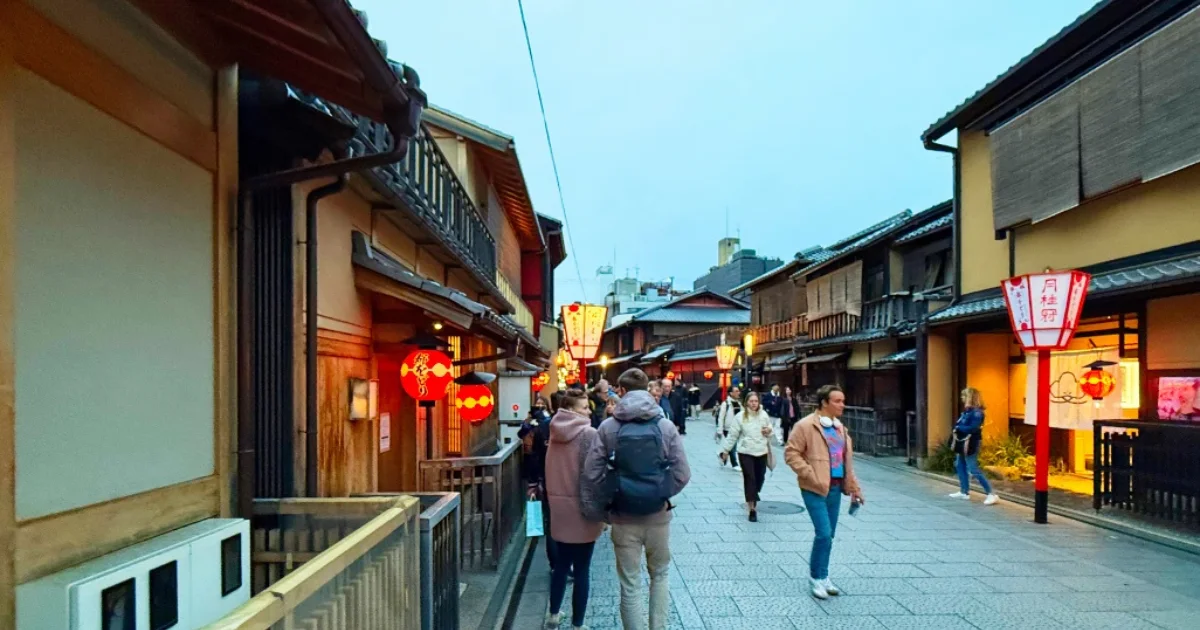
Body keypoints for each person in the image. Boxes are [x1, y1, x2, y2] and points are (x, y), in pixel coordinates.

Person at [582, 368, 690, 630]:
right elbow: (683, 473)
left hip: (622, 515)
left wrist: (612, 493)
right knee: (660, 576)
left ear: (621, 391)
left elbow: (591, 473)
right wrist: (661, 491)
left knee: (630, 583)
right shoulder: (664, 426)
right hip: (658, 516)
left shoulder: (608, 427)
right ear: (647, 389)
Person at [785, 384, 864, 600]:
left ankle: (824, 575)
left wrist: (855, 488)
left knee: (830, 535)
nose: (842, 405)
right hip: (814, 487)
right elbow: (791, 453)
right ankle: (815, 578)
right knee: (823, 533)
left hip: (836, 487)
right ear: (824, 402)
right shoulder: (805, 425)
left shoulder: (840, 429)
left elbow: (847, 463)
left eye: (843, 401)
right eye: (837, 401)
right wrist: (809, 474)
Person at [544, 390, 604, 629]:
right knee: (582, 569)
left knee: (561, 565)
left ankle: (553, 614)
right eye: (584, 408)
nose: (588, 412)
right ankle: (578, 623)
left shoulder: (554, 430)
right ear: (571, 410)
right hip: (582, 508)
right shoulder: (588, 433)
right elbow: (595, 474)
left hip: (559, 507)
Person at [718, 391, 777, 521]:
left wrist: (769, 430)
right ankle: (752, 509)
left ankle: (753, 494)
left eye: (756, 401)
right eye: (751, 401)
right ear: (746, 403)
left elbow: (770, 429)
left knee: (760, 478)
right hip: (745, 452)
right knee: (750, 478)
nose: (754, 403)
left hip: (761, 451)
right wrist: (725, 450)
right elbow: (732, 435)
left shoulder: (764, 415)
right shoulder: (740, 417)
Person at [519, 394, 558, 572]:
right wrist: (528, 423)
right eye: (537, 404)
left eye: (543, 404)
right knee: (552, 520)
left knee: (553, 522)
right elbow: (523, 436)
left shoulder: (548, 424)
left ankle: (557, 562)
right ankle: (558, 562)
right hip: (544, 476)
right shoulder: (538, 425)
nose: (540, 407)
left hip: (546, 477)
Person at [949, 387, 999, 505]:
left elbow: (973, 428)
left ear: (970, 397)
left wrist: (958, 427)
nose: (962, 398)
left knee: (973, 469)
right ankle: (964, 492)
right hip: (964, 441)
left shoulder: (976, 413)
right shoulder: (968, 411)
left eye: (964, 396)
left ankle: (991, 494)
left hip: (971, 442)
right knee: (959, 465)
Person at [714, 386, 744, 470]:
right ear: (731, 393)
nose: (738, 393)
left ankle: (721, 455)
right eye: (736, 391)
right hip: (728, 428)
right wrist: (719, 430)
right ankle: (735, 464)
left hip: (737, 428)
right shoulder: (726, 404)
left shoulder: (739, 403)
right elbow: (721, 417)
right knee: (732, 446)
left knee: (732, 445)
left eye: (738, 391)